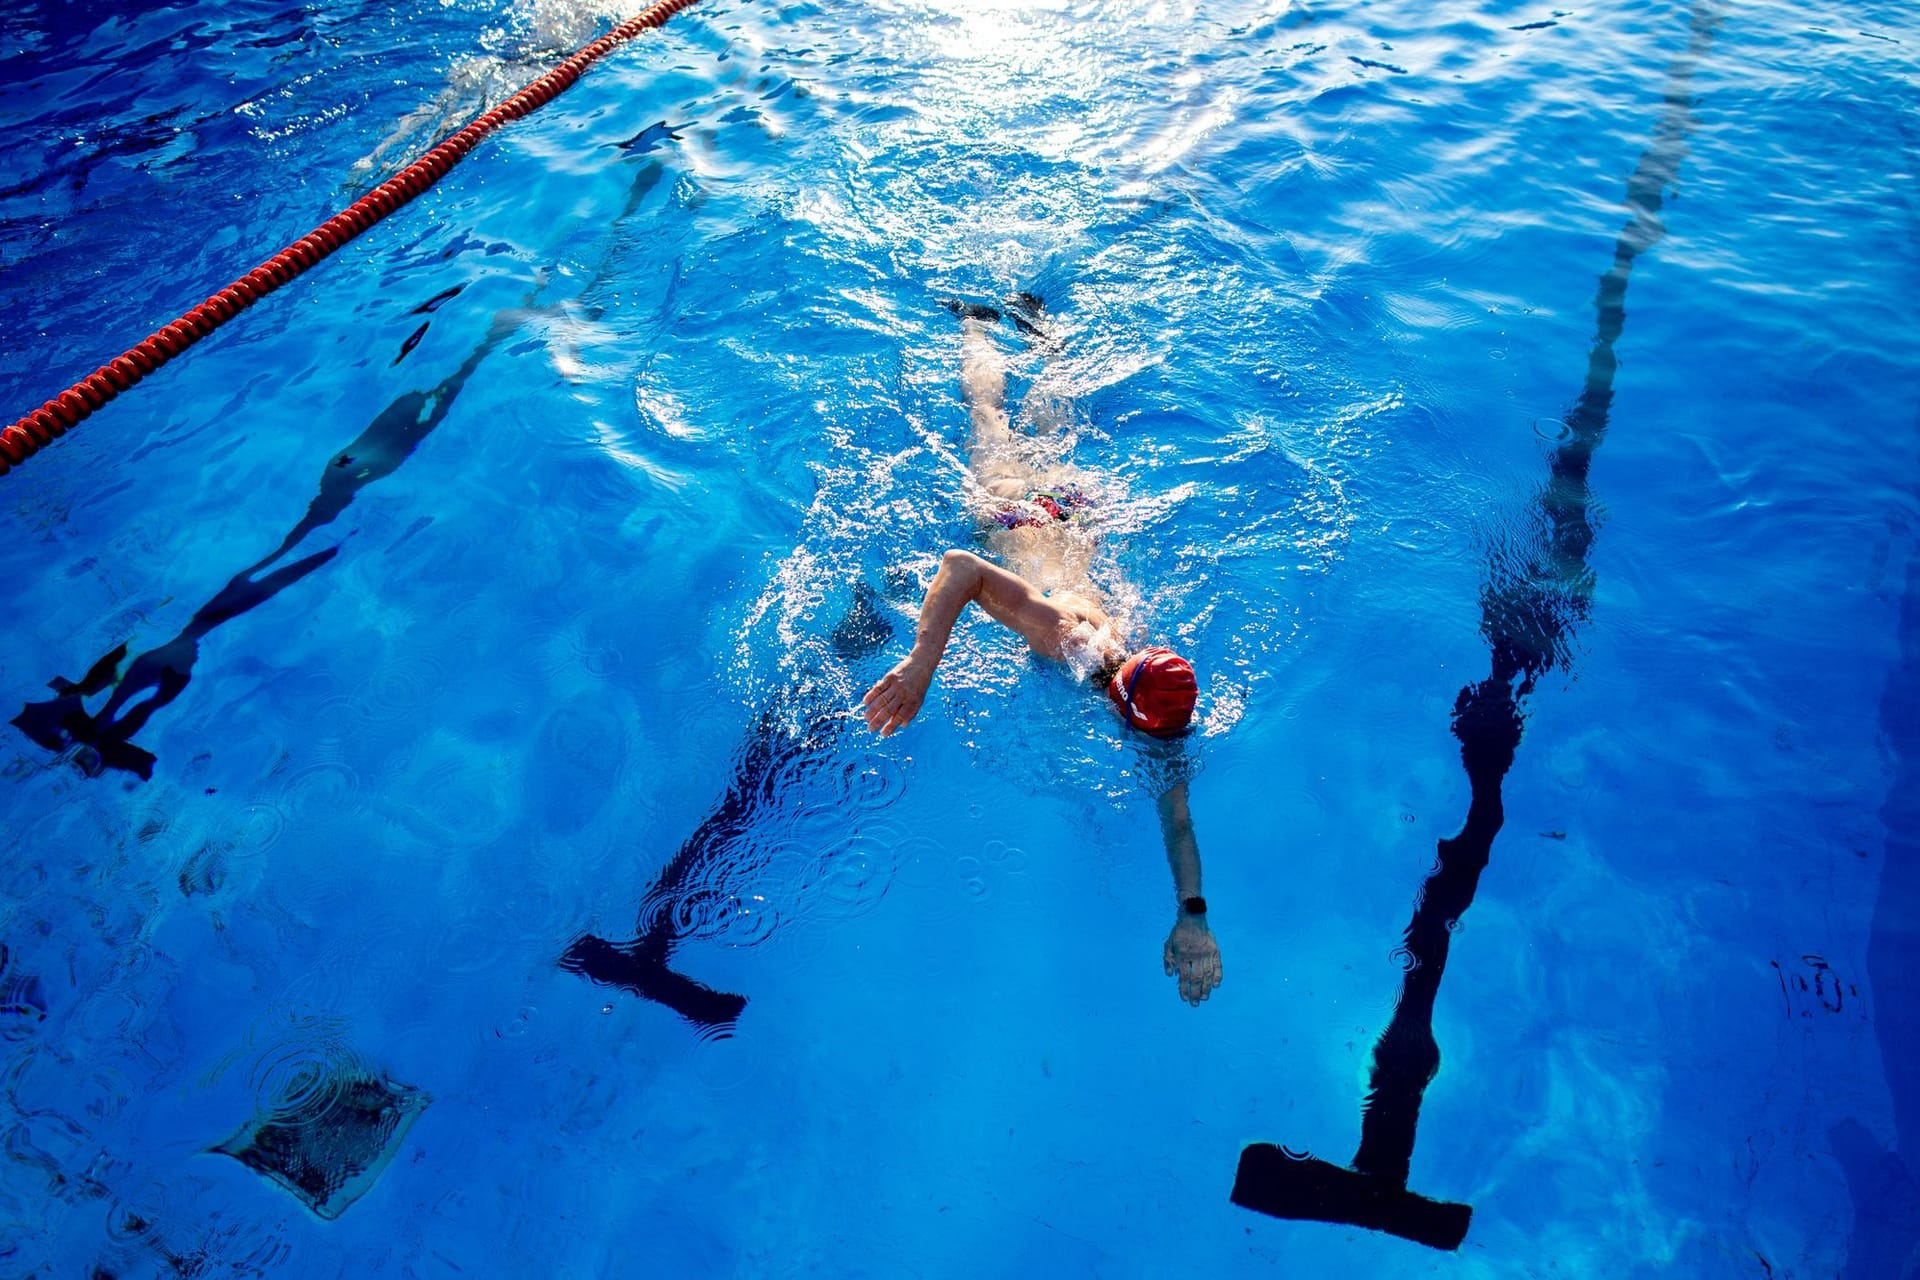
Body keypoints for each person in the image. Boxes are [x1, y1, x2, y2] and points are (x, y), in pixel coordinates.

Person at [861, 298, 1222, 1006]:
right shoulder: (1068, 641)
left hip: (1069, 513)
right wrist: (919, 666)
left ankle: (1043, 333)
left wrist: (1193, 916)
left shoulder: (1140, 684)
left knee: (1051, 424)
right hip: (1013, 513)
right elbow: (961, 567)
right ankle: (974, 325)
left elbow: (1177, 819)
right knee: (989, 419)